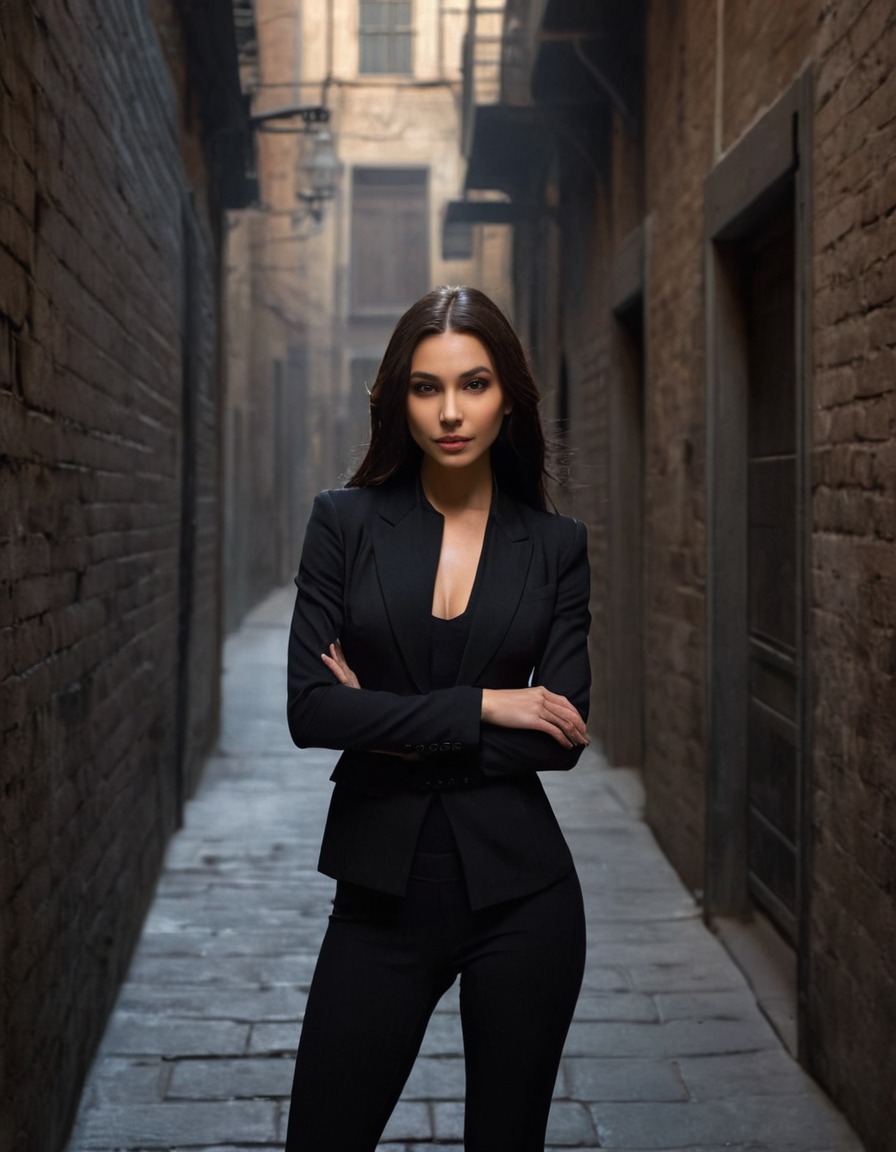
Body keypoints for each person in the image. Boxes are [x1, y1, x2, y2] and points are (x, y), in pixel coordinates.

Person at [284, 285, 592, 1152]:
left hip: (524, 899)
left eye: (475, 384)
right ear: (398, 398)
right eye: (427, 388)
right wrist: (489, 703)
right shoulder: (342, 524)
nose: (451, 412)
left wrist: (379, 717)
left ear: (509, 397)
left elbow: (561, 740)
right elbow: (311, 711)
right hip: (379, 893)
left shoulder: (556, 545)